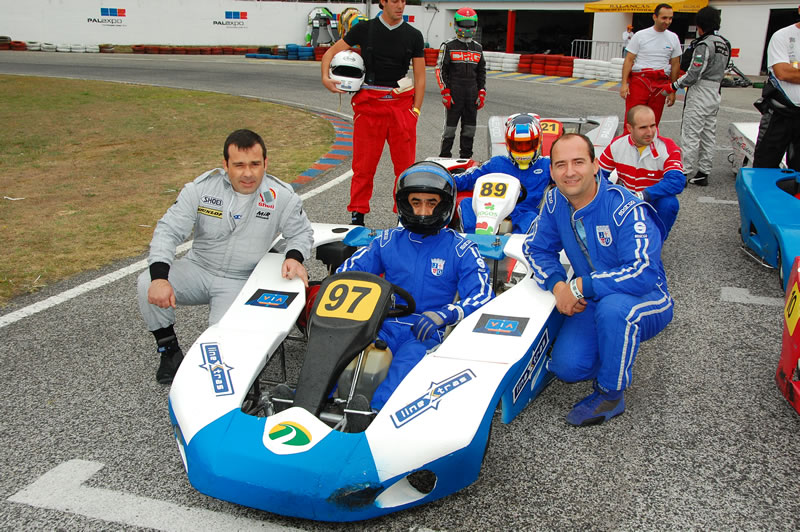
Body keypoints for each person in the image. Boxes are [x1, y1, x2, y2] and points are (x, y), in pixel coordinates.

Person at [137, 129, 314, 384]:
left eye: (255, 164)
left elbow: (301, 233)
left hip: (241, 280)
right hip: (198, 267)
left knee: (224, 353)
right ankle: (169, 352)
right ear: (225, 165)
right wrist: (160, 278)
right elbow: (168, 231)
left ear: (266, 163)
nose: (248, 173)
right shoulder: (200, 190)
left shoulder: (281, 195)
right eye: (239, 165)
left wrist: (294, 257)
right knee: (147, 282)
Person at [523, 133, 674, 426]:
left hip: (646, 297)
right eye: (560, 164)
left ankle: (610, 393)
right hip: (592, 297)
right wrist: (557, 286)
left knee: (615, 310)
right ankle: (615, 348)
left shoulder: (626, 208)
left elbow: (642, 272)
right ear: (551, 171)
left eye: (578, 162)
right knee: (567, 368)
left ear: (595, 165)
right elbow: (536, 247)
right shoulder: (555, 201)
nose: (569, 172)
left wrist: (578, 287)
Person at [337, 161, 493, 409]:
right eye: (416, 202)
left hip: (426, 331)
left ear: (444, 205)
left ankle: (374, 414)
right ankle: (319, 401)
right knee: (344, 356)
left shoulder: (461, 248)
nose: (422, 211)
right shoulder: (386, 241)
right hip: (383, 324)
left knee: (405, 368)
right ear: (403, 203)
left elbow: (483, 294)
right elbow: (345, 274)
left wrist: (445, 314)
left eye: (431, 203)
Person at [320, 0, 425, 226]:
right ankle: (357, 215)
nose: (400, 5)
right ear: (383, 2)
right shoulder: (364, 29)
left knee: (405, 169)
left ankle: (403, 215)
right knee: (363, 167)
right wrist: (325, 78)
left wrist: (415, 111)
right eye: (395, 1)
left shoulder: (414, 35)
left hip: (401, 106)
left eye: (403, 1)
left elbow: (420, 77)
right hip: (369, 106)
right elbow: (329, 53)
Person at [658, 6, 731, 186]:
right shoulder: (725, 43)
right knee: (708, 133)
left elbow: (693, 74)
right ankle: (703, 172)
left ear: (699, 24)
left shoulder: (704, 44)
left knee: (691, 132)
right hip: (715, 92)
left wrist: (672, 86)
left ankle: (683, 172)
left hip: (700, 91)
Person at [455, 113, 551, 233]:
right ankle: (471, 239)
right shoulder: (497, 163)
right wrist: (442, 179)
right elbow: (466, 179)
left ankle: (514, 246)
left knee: (531, 218)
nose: (522, 149)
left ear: (538, 142)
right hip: (490, 210)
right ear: (508, 144)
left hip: (524, 214)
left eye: (527, 144)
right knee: (467, 203)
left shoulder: (547, 165)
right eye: (518, 145)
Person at [598, 105, 684, 238]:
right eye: (643, 127)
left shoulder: (668, 147)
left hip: (653, 200)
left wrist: (645, 195)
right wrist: (613, 192)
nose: (650, 132)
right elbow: (597, 175)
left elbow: (677, 181)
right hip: (625, 199)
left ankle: (655, 242)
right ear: (629, 128)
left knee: (669, 203)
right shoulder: (617, 145)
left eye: (653, 125)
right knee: (599, 196)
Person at [753, 5, 800, 171]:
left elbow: (790, 72)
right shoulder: (783, 36)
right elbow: (782, 72)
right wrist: (790, 71)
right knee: (764, 166)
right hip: (779, 112)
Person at [436, 7, 487, 159]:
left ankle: (466, 158)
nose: (467, 28)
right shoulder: (448, 46)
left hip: (472, 94)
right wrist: (445, 91)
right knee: (450, 129)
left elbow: (481, 72)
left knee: (469, 129)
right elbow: (440, 69)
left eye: (470, 24)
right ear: (457, 24)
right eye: (464, 24)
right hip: (454, 93)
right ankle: (444, 157)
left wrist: (482, 92)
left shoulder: (478, 48)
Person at [620, 4, 682, 127]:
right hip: (640, 80)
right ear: (655, 17)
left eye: (670, 18)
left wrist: (672, 90)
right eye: (664, 18)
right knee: (633, 118)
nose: (667, 22)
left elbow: (675, 64)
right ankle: (628, 144)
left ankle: (649, 144)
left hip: (661, 81)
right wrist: (624, 84)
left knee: (653, 120)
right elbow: (629, 60)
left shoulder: (673, 37)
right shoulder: (640, 35)